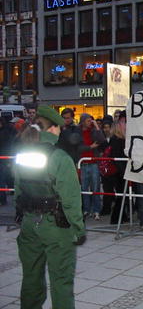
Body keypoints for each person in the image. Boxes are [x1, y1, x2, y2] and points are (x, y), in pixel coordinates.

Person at [14, 105, 85, 309]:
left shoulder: (23, 154)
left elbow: (18, 190)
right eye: (59, 128)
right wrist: (78, 229)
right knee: (61, 280)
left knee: (31, 278)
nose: (61, 131)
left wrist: (23, 216)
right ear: (52, 129)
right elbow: (71, 199)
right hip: (56, 226)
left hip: (29, 223)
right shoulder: (59, 157)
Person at [78, 113, 105, 220]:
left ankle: (96, 210)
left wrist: (97, 127)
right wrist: (90, 147)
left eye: (91, 120)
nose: (90, 122)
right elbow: (78, 148)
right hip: (83, 163)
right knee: (84, 188)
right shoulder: (78, 132)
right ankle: (86, 209)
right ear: (83, 121)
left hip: (94, 163)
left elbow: (102, 140)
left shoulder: (94, 130)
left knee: (95, 188)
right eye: (88, 120)